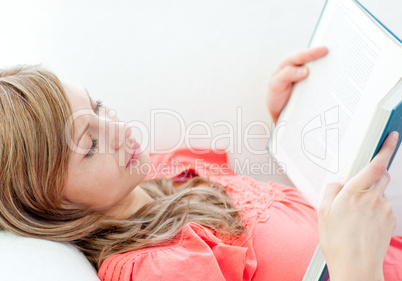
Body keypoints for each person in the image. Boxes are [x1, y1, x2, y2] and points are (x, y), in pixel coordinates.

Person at [0, 46, 400, 281]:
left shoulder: (161, 170)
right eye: (89, 144)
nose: (117, 129)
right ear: (48, 204)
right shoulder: (158, 268)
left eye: (98, 105)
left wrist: (294, 126)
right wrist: (356, 271)